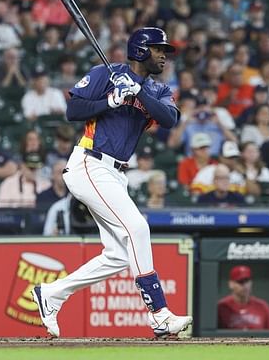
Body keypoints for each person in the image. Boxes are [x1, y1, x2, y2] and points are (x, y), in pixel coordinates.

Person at [32, 27, 193, 338]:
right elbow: (73, 110)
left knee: (118, 256)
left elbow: (171, 119)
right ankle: (159, 313)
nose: (164, 55)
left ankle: (52, 294)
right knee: (138, 228)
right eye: (159, 49)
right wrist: (111, 100)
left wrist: (137, 91)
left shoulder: (157, 89)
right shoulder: (105, 73)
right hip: (90, 163)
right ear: (141, 50)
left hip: (117, 175)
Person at [217, 265, 269, 330]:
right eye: (240, 282)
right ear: (231, 284)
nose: (245, 285)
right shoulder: (221, 307)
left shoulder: (262, 306)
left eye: (247, 281)